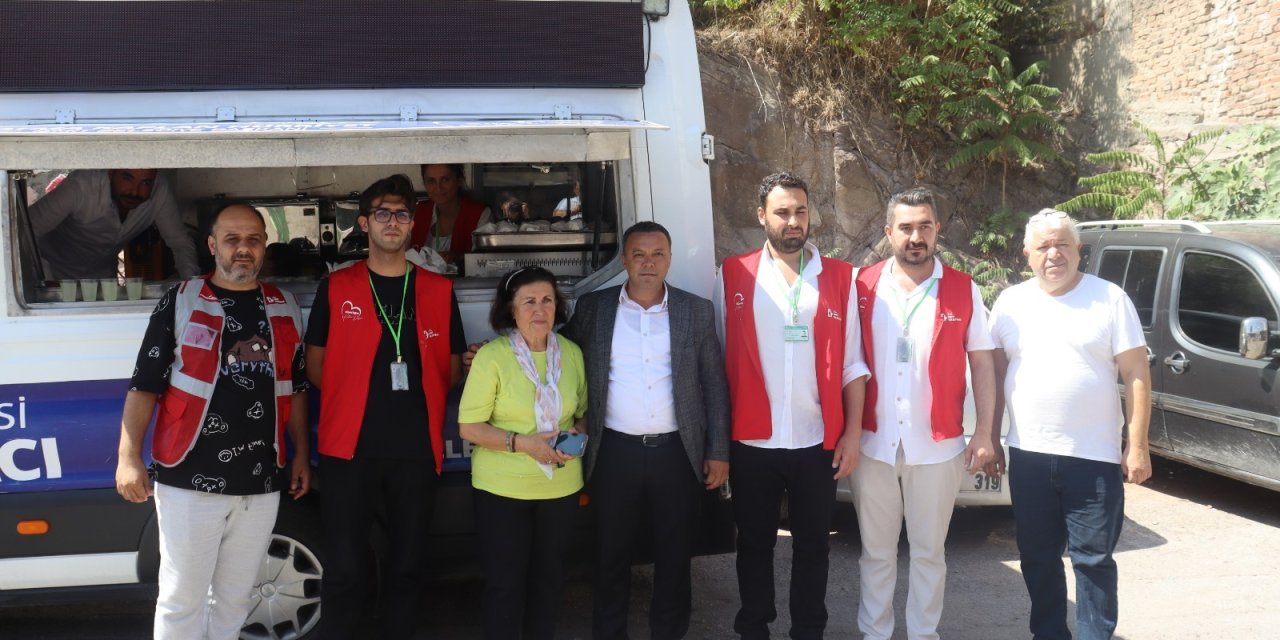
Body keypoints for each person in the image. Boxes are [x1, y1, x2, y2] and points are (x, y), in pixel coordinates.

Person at [114, 203, 310, 639]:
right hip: (189, 478)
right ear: (212, 245)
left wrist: (301, 456)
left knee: (236, 599)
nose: (243, 249)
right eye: (232, 239)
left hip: (261, 482)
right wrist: (128, 458)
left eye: (253, 240)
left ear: (264, 246)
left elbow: (295, 389)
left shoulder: (285, 306)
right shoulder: (182, 300)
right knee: (182, 599)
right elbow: (144, 385)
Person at [304, 174, 465, 639]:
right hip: (347, 450)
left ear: (412, 225)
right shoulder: (335, 288)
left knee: (408, 568)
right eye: (382, 213)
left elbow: (451, 370)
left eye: (400, 214)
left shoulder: (438, 289)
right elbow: (315, 368)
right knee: (346, 570)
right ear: (364, 223)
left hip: (416, 450)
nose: (391, 222)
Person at [713, 171, 870, 640]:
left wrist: (852, 434)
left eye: (800, 211)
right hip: (752, 439)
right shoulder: (732, 274)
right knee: (754, 544)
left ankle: (808, 630)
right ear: (762, 216)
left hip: (816, 439)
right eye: (782, 212)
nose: (793, 221)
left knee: (813, 548)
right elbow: (720, 360)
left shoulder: (841, 277)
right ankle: (753, 628)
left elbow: (853, 365)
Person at [560, 221, 730, 640]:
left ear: (669, 260)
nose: (648, 263)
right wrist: (500, 346)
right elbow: (555, 350)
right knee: (609, 557)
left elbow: (713, 383)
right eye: (639, 255)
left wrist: (719, 450)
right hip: (613, 452)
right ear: (624, 260)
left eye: (657, 255)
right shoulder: (594, 309)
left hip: (677, 453)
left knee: (674, 558)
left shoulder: (695, 310)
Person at [987, 208, 1152, 640]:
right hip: (1030, 455)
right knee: (1037, 557)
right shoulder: (1010, 303)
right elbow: (993, 374)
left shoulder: (1110, 299)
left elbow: (1136, 373)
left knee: (1093, 561)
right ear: (1027, 254)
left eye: (1062, 244)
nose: (1053, 253)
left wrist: (1136, 446)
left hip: (1093, 458)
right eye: (1043, 246)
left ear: (1079, 250)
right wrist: (989, 437)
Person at [850, 187, 997, 640]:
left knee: (929, 551)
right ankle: (875, 634)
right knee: (875, 553)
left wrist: (985, 433)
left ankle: (922, 635)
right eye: (907, 227)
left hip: (937, 446)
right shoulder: (861, 285)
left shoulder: (963, 288)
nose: (917, 236)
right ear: (888, 231)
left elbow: (982, 363)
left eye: (925, 227)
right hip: (874, 444)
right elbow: (847, 364)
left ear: (937, 231)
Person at [459, 265, 588, 640]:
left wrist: (576, 436)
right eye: (528, 301)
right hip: (502, 492)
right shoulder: (493, 357)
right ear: (510, 309)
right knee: (505, 587)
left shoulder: (573, 354)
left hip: (559, 490)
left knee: (549, 584)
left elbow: (584, 414)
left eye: (547, 300)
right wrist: (522, 444)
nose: (540, 309)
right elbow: (469, 428)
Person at [30, 168, 199, 280]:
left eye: (145, 183)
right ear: (111, 173)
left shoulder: (159, 190)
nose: (135, 191)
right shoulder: (80, 187)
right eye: (127, 178)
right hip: (54, 274)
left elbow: (180, 242)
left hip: (103, 280)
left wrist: (190, 286)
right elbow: (26, 231)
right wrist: (46, 280)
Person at [411, 163, 492, 261]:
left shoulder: (480, 213)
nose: (438, 187)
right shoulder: (417, 212)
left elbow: (485, 261)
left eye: (445, 179)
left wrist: (458, 259)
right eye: (431, 181)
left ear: (459, 181)